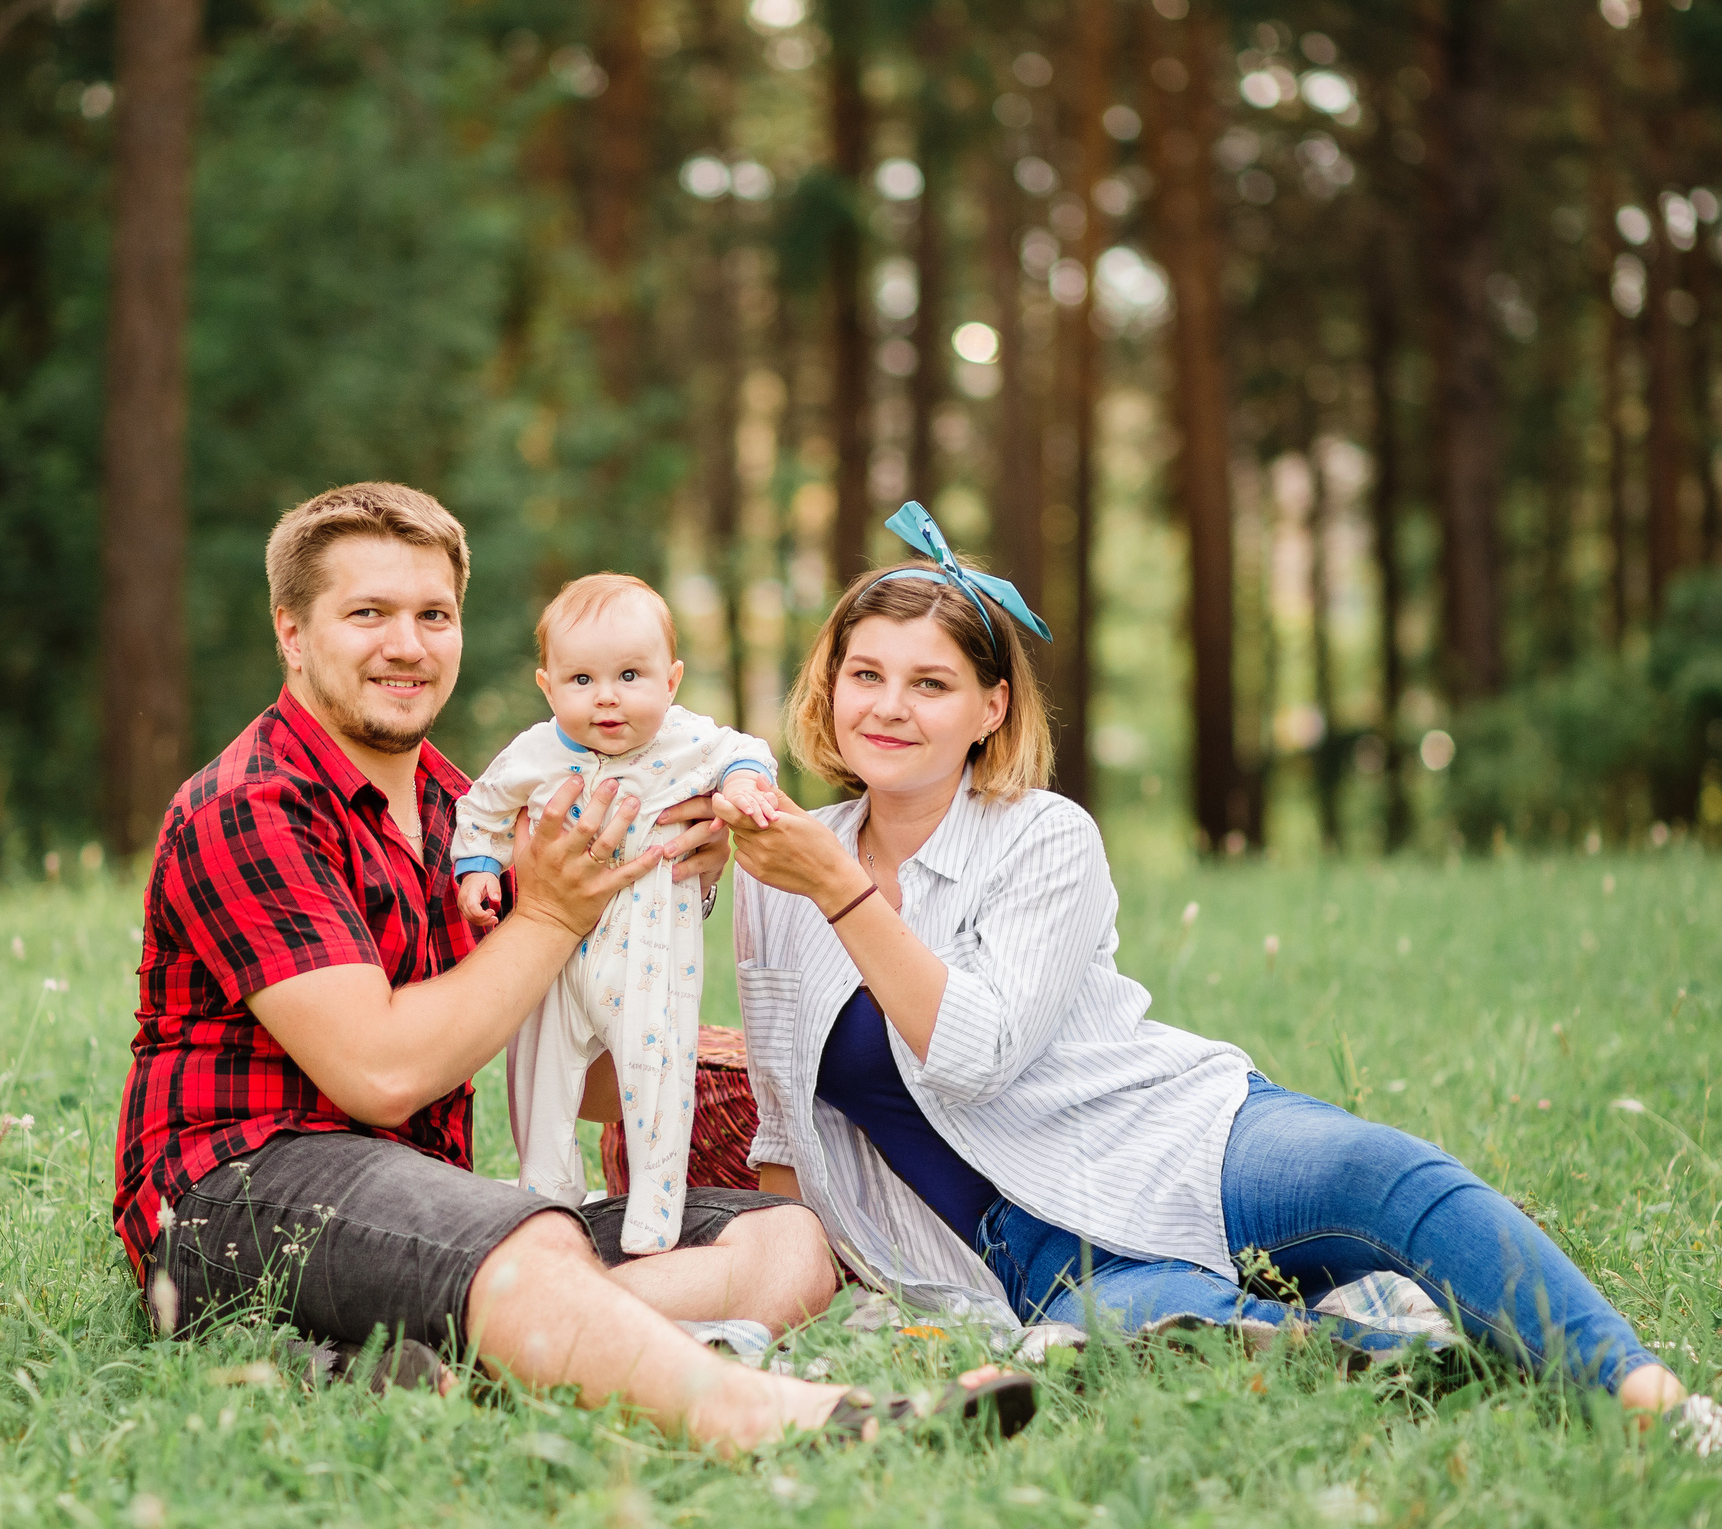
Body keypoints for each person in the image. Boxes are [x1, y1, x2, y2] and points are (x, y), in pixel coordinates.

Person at [721, 503, 1722, 1468]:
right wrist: (800, 1278)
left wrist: (844, 896)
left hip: (1170, 1140)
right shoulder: (785, 863)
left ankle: (1658, 1405)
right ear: (830, 686)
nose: (889, 708)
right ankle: (1459, 1367)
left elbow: (974, 1052)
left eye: (929, 683)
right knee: (1216, 1341)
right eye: (866, 675)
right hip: (1026, 1260)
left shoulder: (1042, 839)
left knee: (1392, 1183)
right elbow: (784, 1117)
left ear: (990, 708)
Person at [111, 483, 1034, 1451]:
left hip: (427, 1212)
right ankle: (769, 1419)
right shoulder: (251, 805)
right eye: (367, 615)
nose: (408, 645)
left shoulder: (462, 811)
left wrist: (671, 906)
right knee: (530, 1235)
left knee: (785, 1242)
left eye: (434, 615)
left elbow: (555, 1042)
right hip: (236, 1199)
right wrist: (552, 913)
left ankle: (442, 1361)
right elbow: (379, 1076)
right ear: (293, 634)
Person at [452, 573, 780, 1252]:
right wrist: (478, 867)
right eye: (581, 680)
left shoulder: (689, 740)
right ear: (547, 687)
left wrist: (744, 784)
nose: (606, 696)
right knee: (539, 1077)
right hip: (550, 957)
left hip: (650, 944)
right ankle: (544, 1206)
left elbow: (748, 751)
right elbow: (480, 808)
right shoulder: (536, 752)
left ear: (671, 679)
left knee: (657, 1077)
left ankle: (652, 1226)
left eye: (631, 674)